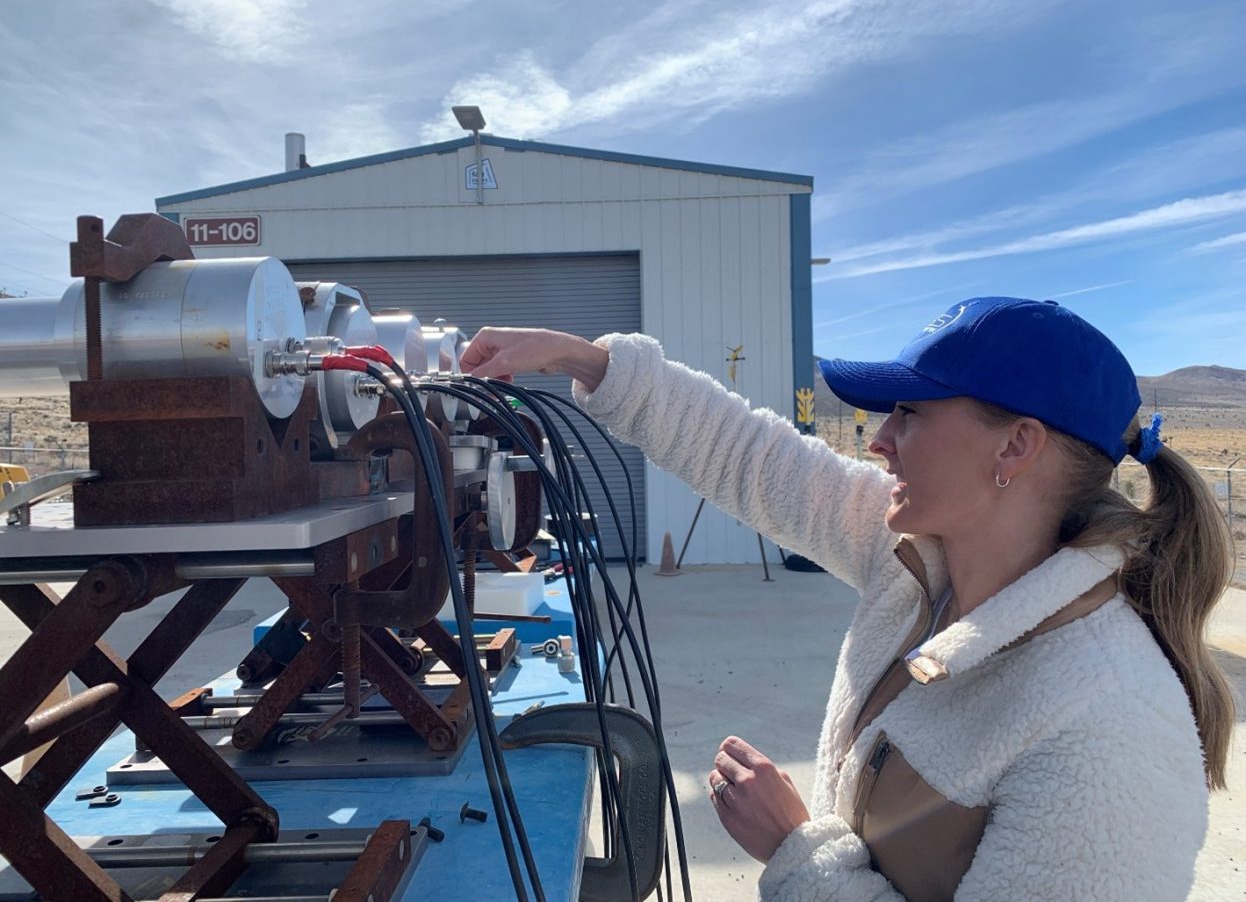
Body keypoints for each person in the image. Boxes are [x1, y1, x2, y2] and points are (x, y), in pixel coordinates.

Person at [460, 297, 1234, 901]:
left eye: (912, 413)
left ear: (1016, 445)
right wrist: (583, 359)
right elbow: (751, 454)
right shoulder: (916, 557)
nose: (877, 438)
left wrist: (799, 853)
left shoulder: (1110, 725)